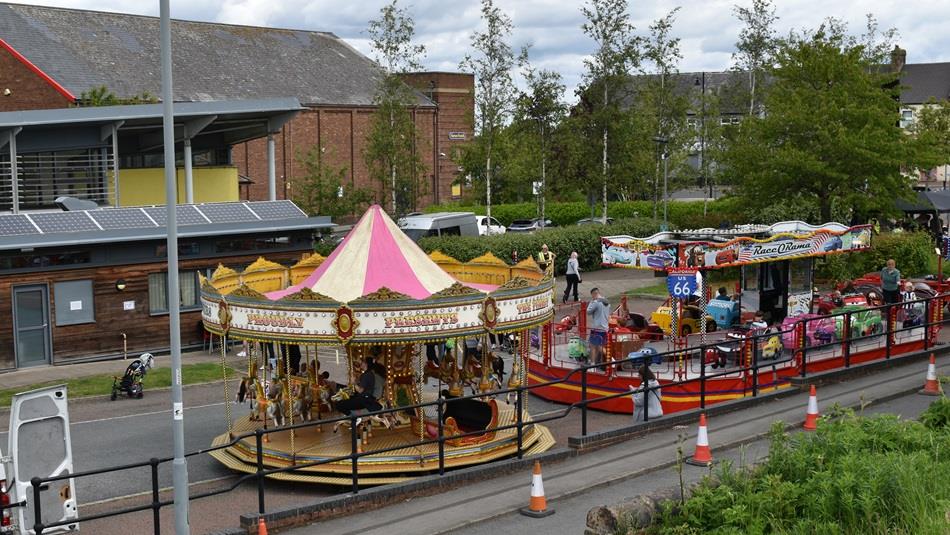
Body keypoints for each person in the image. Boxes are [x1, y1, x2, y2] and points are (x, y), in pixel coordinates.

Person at [586, 287, 610, 364]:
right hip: (605, 327)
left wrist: (591, 301)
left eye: (592, 296)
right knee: (598, 345)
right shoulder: (606, 302)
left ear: (594, 294)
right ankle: (595, 362)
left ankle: (610, 361)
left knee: (594, 346)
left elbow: (588, 311)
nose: (592, 297)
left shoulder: (596, 302)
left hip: (597, 328)